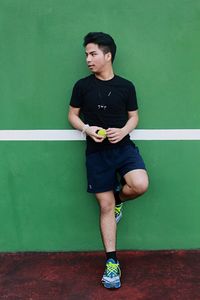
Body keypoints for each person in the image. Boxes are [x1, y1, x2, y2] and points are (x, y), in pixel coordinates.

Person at [68, 32, 149, 289]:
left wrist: (123, 131)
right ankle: (112, 263)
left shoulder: (126, 86)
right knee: (104, 207)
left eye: (93, 54)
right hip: (96, 153)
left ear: (108, 55)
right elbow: (72, 115)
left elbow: (134, 117)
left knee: (139, 184)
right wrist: (86, 129)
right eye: (86, 55)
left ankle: (118, 200)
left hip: (123, 148)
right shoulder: (82, 86)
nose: (88, 59)